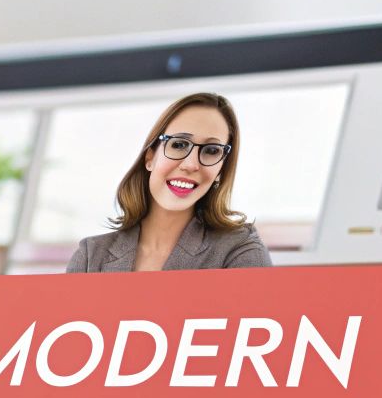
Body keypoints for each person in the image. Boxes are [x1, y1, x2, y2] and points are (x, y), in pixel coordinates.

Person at [69, 92, 271, 272]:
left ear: (221, 169)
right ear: (150, 157)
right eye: (179, 144)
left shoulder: (239, 249)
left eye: (211, 151)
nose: (191, 164)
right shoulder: (91, 257)